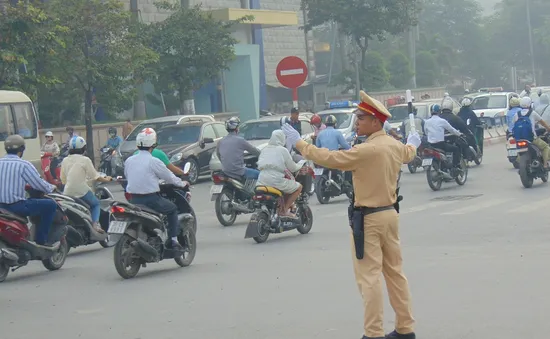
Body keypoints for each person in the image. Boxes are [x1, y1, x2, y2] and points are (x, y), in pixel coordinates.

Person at [282, 91, 420, 339]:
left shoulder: (367, 149)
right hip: (390, 215)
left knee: (369, 279)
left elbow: (331, 158)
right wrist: (413, 143)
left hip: (369, 219)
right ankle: (405, 328)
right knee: (395, 274)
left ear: (376, 122)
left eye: (362, 118)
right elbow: (409, 153)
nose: (357, 122)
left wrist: (300, 144)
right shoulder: (394, 146)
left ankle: (373, 333)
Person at [125, 128, 188, 251]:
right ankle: (173, 240)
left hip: (133, 200)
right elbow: (169, 177)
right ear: (154, 144)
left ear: (138, 144)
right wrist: (182, 184)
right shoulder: (154, 161)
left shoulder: (129, 160)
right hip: (151, 199)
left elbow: (129, 176)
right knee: (172, 209)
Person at [0, 135, 57, 249]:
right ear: (22, 150)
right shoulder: (23, 165)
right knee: (51, 205)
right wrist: (52, 188)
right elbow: (39, 184)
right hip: (16, 207)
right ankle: (41, 240)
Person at [61, 136, 113, 234]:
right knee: (96, 204)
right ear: (83, 148)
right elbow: (96, 177)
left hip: (67, 192)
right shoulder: (85, 160)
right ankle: (95, 224)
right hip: (82, 191)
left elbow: (63, 180)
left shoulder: (65, 160)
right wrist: (107, 179)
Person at [257, 130, 305, 218]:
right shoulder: (283, 150)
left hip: (261, 180)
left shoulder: (264, 149)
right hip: (276, 180)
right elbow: (292, 168)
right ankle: (284, 210)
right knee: (298, 187)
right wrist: (300, 164)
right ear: (282, 139)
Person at [512, 97, 550, 169]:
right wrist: (548, 129)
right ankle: (545, 165)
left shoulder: (517, 114)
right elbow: (542, 123)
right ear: (530, 104)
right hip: (531, 138)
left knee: (518, 151)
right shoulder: (532, 113)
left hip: (519, 139)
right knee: (545, 147)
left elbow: (513, 125)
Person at [425, 104, 462, 171]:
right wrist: (459, 134)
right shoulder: (442, 121)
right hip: (440, 145)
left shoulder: (426, 122)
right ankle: (455, 167)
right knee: (456, 149)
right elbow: (452, 130)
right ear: (439, 111)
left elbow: (426, 132)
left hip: (430, 145)